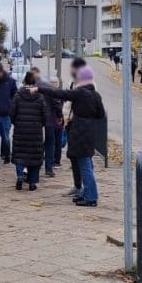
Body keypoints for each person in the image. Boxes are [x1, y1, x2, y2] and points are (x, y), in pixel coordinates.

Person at [37, 65, 105, 207]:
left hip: (79, 131)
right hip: (90, 132)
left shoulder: (79, 93)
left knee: (84, 166)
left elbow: (59, 93)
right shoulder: (96, 95)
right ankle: (86, 193)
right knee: (86, 164)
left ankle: (91, 197)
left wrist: (39, 89)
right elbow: (100, 114)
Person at [10, 72, 47, 191]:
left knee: (20, 154)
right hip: (35, 131)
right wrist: (40, 124)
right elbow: (45, 115)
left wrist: (16, 122)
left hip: (20, 129)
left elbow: (12, 113)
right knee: (34, 156)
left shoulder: (18, 95)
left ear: (24, 81)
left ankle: (20, 175)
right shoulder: (40, 96)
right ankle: (32, 183)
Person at [63, 57, 87, 198]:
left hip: (79, 126)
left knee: (82, 159)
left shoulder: (85, 86)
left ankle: (84, 188)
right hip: (71, 124)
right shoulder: (73, 83)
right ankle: (77, 185)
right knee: (73, 157)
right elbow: (69, 103)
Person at [40, 75, 63, 178]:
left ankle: (37, 165)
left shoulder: (41, 91)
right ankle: (48, 168)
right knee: (50, 144)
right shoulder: (53, 92)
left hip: (41, 121)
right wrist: (60, 117)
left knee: (41, 144)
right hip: (49, 122)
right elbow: (57, 105)